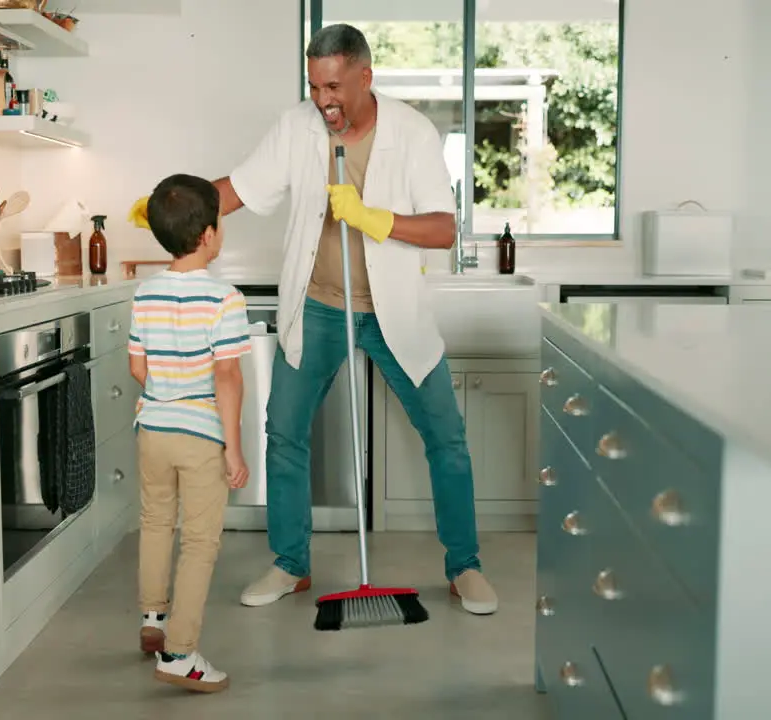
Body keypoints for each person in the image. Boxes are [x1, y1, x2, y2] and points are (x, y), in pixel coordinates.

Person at [129, 24, 498, 616]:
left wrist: (374, 219)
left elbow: (442, 228)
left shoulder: (412, 132)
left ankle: (465, 567)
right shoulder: (298, 126)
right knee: (284, 431)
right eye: (314, 85)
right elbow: (239, 189)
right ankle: (291, 564)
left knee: (446, 439)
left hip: (392, 311)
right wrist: (172, 206)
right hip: (321, 304)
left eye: (333, 86)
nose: (323, 99)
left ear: (364, 77)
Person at [129, 173, 251, 693]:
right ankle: (180, 653)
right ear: (207, 234)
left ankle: (153, 621)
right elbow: (227, 377)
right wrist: (233, 447)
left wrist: (166, 390)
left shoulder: (145, 292)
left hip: (152, 428)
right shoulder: (225, 298)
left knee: (156, 521)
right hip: (200, 434)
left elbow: (138, 367)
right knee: (200, 542)